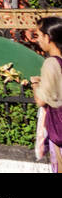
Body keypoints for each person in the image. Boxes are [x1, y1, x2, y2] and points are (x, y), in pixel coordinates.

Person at [32, 16, 62, 172]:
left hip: (59, 128)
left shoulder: (51, 63)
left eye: (39, 36)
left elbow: (40, 101)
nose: (38, 40)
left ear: (48, 37)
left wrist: (35, 83)